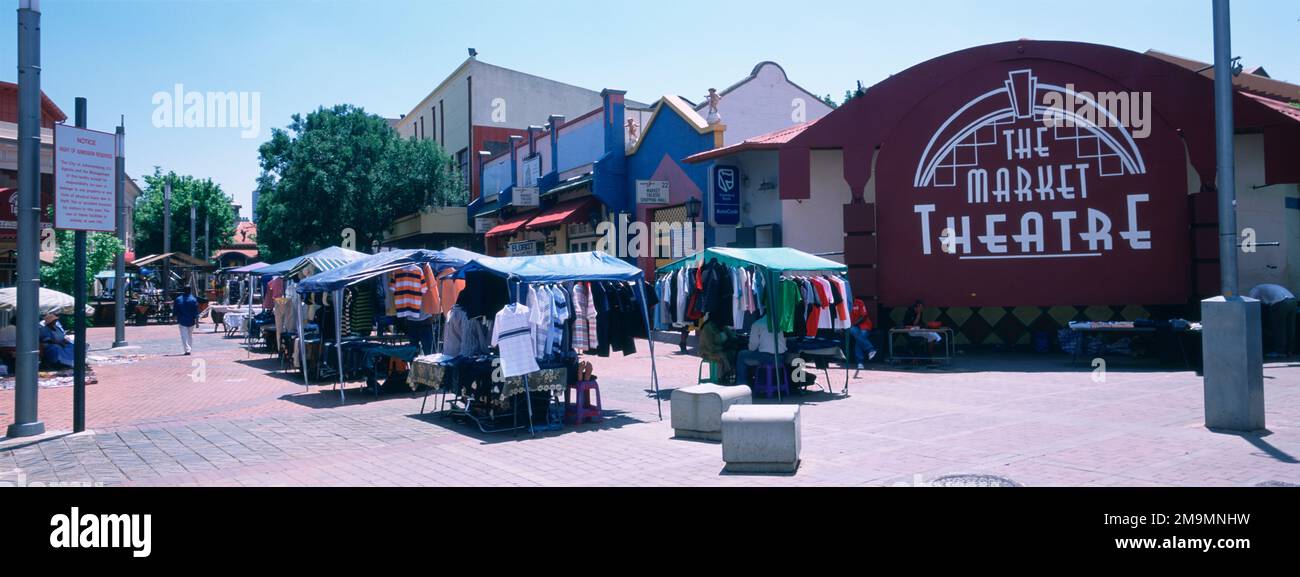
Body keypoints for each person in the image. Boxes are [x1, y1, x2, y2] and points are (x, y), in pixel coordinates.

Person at [736, 314, 787, 387]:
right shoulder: (780, 322)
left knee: (741, 354)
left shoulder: (757, 324)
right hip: (781, 357)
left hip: (767, 357)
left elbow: (752, 347)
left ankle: (741, 385)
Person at [1248, 283, 1297, 358]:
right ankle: (1290, 350)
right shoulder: (1265, 287)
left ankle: (1280, 352)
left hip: (1280, 302)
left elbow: (1251, 303)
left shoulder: (1254, 290)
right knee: (1290, 326)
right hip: (1293, 300)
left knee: (1279, 328)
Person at [848, 297, 878, 370]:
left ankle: (860, 362)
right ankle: (870, 350)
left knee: (860, 337)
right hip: (852, 326)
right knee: (854, 332)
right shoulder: (845, 304)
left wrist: (854, 323)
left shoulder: (859, 302)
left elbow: (864, 316)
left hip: (864, 325)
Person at [174, 285, 200, 355]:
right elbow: (196, 312)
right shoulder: (193, 299)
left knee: (184, 336)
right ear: (190, 290)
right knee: (190, 335)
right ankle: (189, 349)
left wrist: (174, 318)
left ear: (183, 290)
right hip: (191, 321)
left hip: (182, 320)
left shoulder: (178, 299)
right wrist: (197, 322)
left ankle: (187, 349)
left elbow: (175, 310)